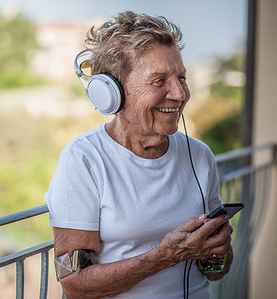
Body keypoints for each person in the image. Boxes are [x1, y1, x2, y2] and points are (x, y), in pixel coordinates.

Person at [44, 11, 233, 299]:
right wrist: (163, 256)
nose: (180, 93)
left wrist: (218, 252)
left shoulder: (200, 155)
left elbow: (217, 271)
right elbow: (74, 284)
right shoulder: (83, 160)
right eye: (159, 81)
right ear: (112, 93)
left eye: (181, 77)